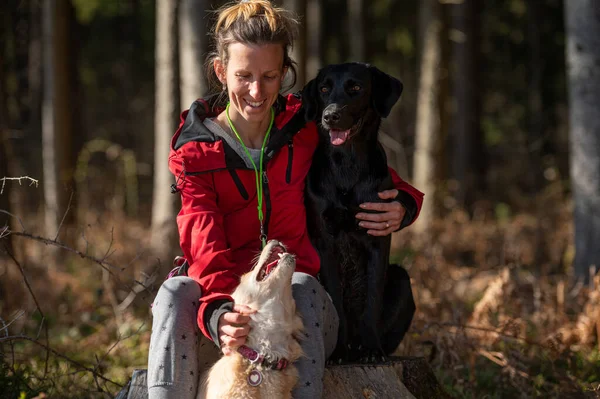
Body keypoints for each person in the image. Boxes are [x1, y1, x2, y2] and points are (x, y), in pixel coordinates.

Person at [147, 1, 424, 398]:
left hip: (300, 316)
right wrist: (220, 311)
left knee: (301, 284)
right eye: (243, 76)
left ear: (285, 73)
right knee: (175, 292)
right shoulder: (196, 153)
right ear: (221, 72)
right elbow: (202, 244)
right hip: (225, 313)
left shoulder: (304, 128)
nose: (256, 91)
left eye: (269, 76)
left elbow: (370, 174)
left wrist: (406, 203)